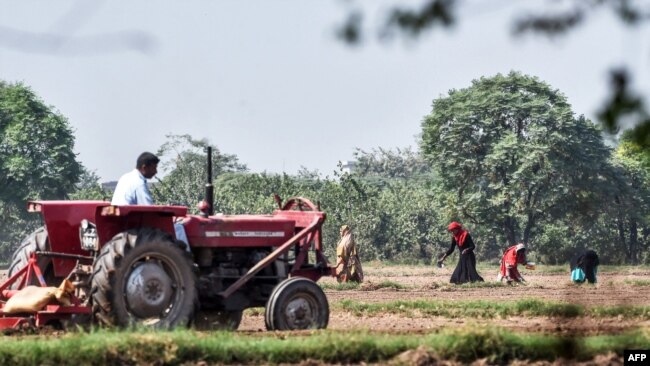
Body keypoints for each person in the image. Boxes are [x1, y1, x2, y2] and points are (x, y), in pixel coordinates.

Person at [111, 152, 189, 246]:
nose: (156, 172)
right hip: (135, 225)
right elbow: (150, 209)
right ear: (144, 167)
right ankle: (185, 259)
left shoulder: (125, 177)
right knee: (178, 227)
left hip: (123, 222)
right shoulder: (138, 183)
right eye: (154, 168)